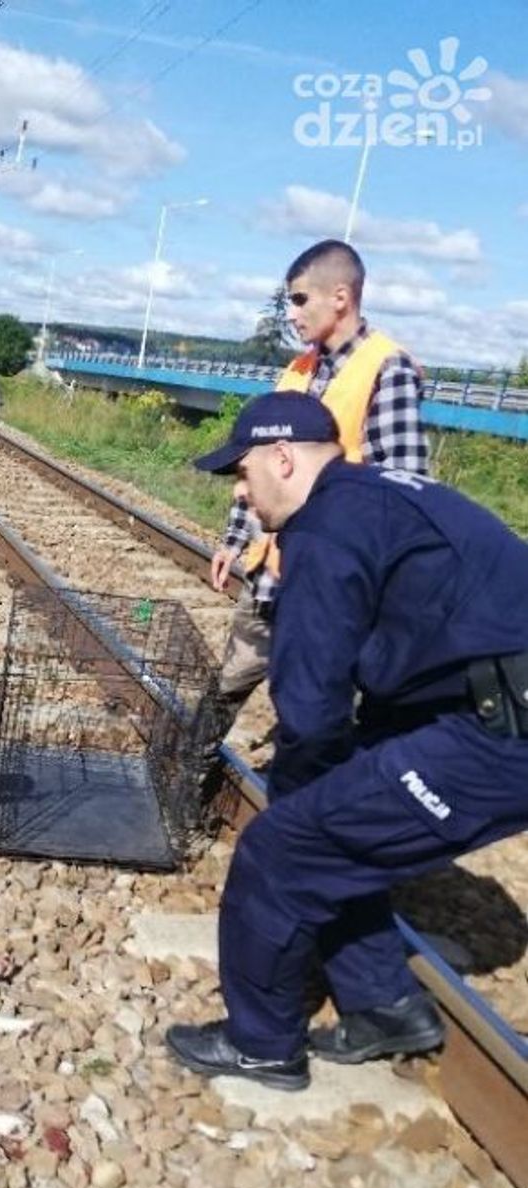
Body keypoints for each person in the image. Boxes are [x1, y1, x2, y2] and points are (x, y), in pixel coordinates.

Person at [167, 391, 528, 1090]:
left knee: (282, 850)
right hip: (478, 702)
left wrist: (301, 797)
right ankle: (385, 1007)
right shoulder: (369, 496)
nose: (242, 492)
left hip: (499, 732)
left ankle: (262, 1045)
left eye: (243, 473)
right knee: (334, 828)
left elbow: (309, 699)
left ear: (282, 457)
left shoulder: (325, 530)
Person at [209, 239, 428, 736]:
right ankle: (184, 786)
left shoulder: (387, 369)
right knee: (224, 689)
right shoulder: (299, 369)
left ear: (341, 296)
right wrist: (236, 538)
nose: (292, 313)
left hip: (329, 583)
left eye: (300, 299)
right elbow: (258, 462)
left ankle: (304, 799)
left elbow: (403, 488)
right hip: (271, 574)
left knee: (316, 715)